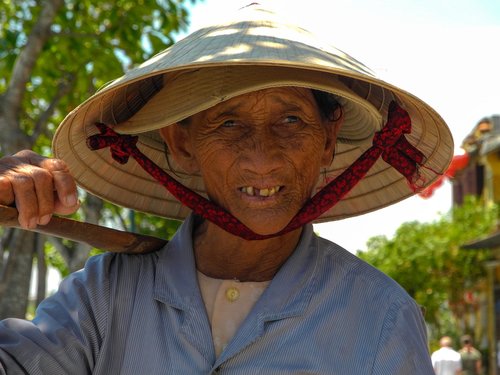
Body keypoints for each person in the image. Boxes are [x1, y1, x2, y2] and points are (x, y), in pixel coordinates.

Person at [0, 3, 453, 374]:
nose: (262, 156)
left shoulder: (381, 317)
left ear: (329, 139)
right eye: (229, 122)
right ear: (181, 143)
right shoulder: (102, 298)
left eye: (291, 120)